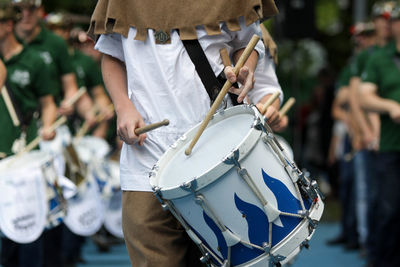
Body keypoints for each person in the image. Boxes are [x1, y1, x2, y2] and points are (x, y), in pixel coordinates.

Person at [89, 0, 284, 266]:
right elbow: (111, 55)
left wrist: (245, 69)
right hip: (147, 161)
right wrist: (123, 107)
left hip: (220, 157)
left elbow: (248, 43)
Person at [0, 2, 57, 267]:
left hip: (23, 153)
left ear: (8, 25)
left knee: (25, 230)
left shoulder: (34, 61)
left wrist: (47, 126)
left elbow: (47, 103)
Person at [359, 5, 400, 267]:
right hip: (391, 146)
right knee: (389, 209)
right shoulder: (378, 57)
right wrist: (391, 106)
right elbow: (362, 96)